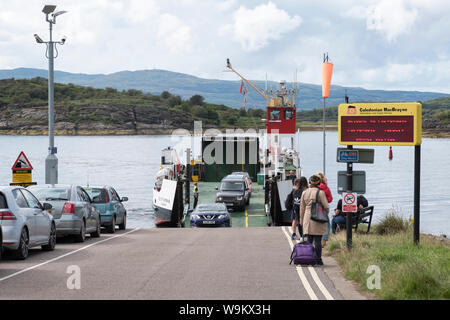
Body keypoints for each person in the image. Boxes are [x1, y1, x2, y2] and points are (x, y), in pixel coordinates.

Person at [300, 175, 329, 265]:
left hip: (307, 218)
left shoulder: (304, 192)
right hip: (317, 217)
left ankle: (309, 258)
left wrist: (301, 220)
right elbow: (326, 207)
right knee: (317, 241)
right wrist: (325, 214)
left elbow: (302, 208)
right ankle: (318, 259)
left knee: (309, 240)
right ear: (319, 183)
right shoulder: (320, 193)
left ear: (310, 183)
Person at [316, 172, 333, 248]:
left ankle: (315, 242)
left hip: (315, 208)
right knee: (327, 225)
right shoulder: (326, 188)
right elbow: (330, 199)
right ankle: (324, 242)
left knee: (315, 225)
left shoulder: (313, 187)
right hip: (324, 209)